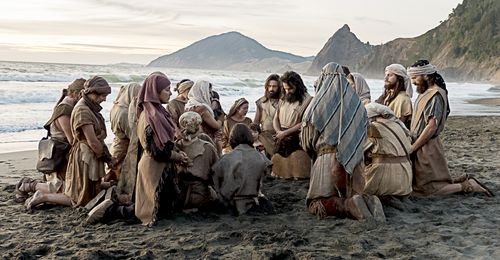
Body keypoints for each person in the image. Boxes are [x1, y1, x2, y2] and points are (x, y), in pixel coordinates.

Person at [301, 62, 385, 221]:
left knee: (316, 203)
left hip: (326, 157)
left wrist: (315, 151)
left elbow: (307, 139)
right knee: (353, 191)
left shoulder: (316, 106)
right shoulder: (358, 105)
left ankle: (348, 206)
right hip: (354, 159)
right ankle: (366, 200)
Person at [24, 76, 113, 210]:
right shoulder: (75, 110)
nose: (104, 99)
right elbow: (76, 140)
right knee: (69, 191)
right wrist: (106, 158)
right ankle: (35, 190)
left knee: (79, 190)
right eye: (103, 95)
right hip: (69, 155)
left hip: (79, 154)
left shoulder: (84, 108)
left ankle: (36, 190)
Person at [408, 60, 493, 197]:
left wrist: (413, 147)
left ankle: (467, 186)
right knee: (422, 185)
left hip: (427, 147)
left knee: (430, 190)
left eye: (415, 77)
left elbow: (431, 127)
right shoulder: (425, 93)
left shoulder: (435, 95)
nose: (413, 82)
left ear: (426, 76)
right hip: (420, 145)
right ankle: (461, 180)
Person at [134, 72, 191, 226]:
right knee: (148, 211)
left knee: (164, 211)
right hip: (153, 169)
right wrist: (178, 157)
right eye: (167, 90)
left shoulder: (158, 113)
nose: (170, 93)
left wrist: (178, 153)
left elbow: (166, 143)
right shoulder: (150, 116)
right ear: (155, 91)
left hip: (162, 169)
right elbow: (157, 151)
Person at [15, 78, 86, 202]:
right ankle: (28, 185)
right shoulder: (64, 110)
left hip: (63, 153)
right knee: (63, 190)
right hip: (61, 154)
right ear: (75, 93)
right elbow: (72, 139)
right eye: (83, 95)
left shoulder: (69, 106)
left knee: (70, 188)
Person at [212, 124, 274, 215]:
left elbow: (215, 179)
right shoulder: (262, 158)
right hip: (253, 203)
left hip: (230, 204)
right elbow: (265, 175)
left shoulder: (225, 159)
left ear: (232, 138)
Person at [363, 103, 412, 197]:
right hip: (405, 183)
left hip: (385, 180)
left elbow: (359, 151)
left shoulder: (372, 128)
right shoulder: (399, 126)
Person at [272, 71, 313, 179]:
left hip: (296, 137)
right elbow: (276, 118)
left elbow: (305, 122)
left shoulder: (309, 100)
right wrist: (279, 132)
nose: (287, 91)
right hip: (281, 136)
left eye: (290, 89)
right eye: (285, 89)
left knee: (297, 169)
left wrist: (285, 133)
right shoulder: (283, 98)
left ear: (298, 86)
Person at [176, 112, 219, 211]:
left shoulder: (175, 147)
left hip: (178, 196)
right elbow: (216, 174)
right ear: (197, 126)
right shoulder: (208, 147)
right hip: (200, 196)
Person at [105, 83, 141, 182]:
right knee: (117, 177)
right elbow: (132, 135)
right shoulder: (125, 112)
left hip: (117, 145)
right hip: (123, 148)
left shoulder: (117, 107)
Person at [185, 80, 223, 153]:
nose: (211, 95)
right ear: (202, 93)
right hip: (205, 142)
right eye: (209, 92)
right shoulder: (202, 109)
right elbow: (216, 126)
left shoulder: (189, 105)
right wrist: (221, 118)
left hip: (192, 140)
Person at [375, 64, 413, 128]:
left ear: (399, 78)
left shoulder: (403, 99)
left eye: (390, 75)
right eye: (386, 75)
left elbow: (398, 126)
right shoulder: (387, 96)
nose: (385, 78)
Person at [254, 74, 282, 157]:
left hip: (279, 138)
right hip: (264, 139)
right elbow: (256, 122)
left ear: (279, 87)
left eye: (274, 86)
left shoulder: (283, 102)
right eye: (269, 86)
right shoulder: (261, 102)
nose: (271, 89)